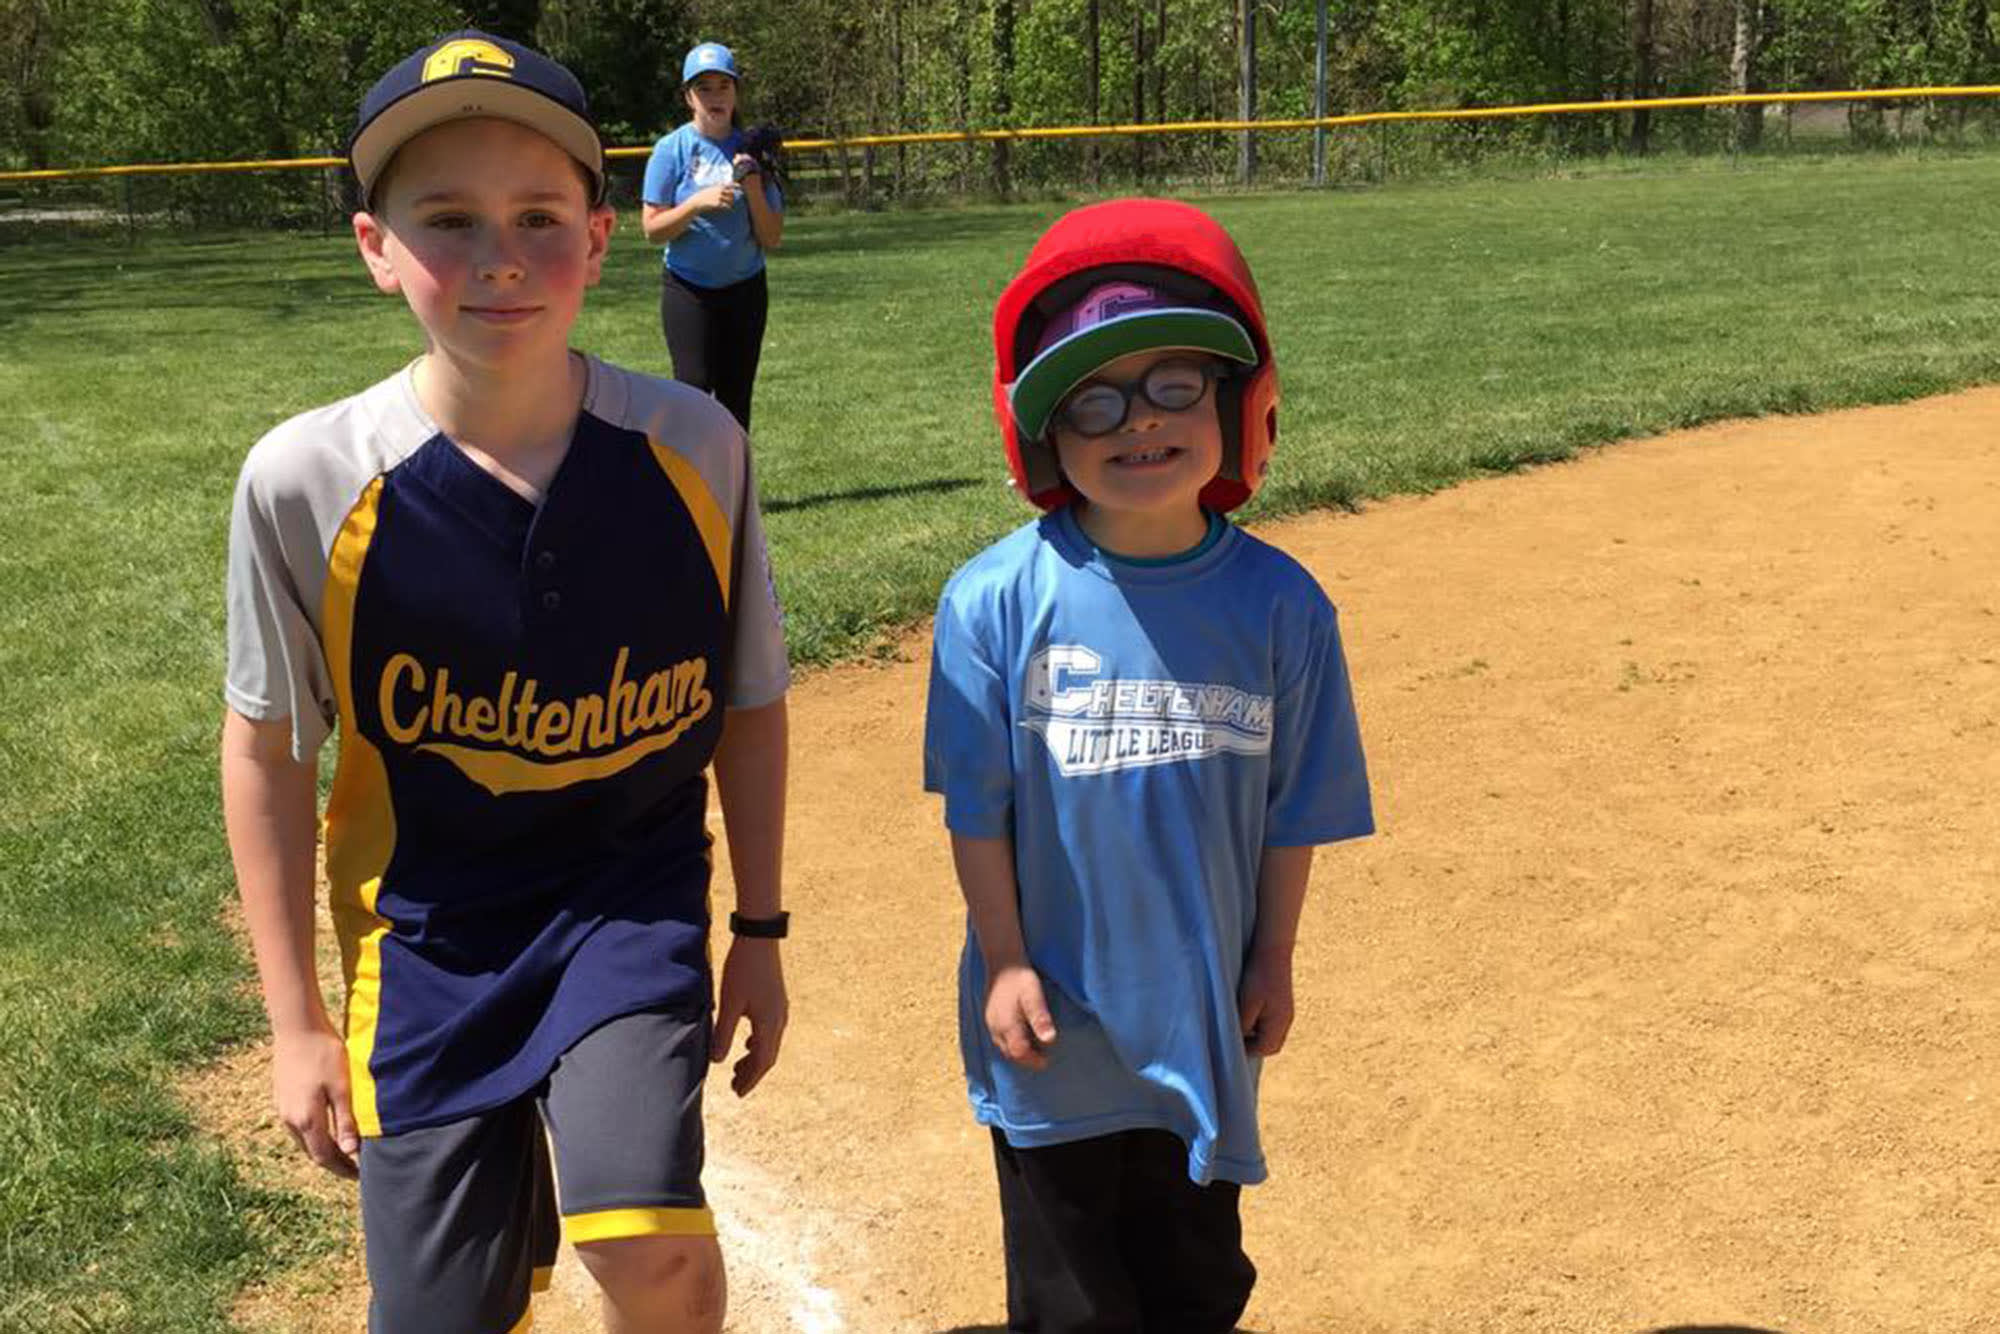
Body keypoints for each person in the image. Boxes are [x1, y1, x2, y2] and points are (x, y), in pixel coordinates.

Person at [220, 30, 791, 1334]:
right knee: (441, 1312)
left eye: (539, 216)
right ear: (376, 247)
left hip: (624, 901)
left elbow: (748, 700)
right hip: (427, 936)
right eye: (449, 220)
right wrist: (295, 1019)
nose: (500, 256)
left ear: (600, 239)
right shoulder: (307, 482)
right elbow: (263, 753)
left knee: (642, 1231)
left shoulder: (696, 447)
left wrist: (756, 932)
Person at [922, 198, 1375, 1333]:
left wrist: (1272, 954)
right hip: (1051, 1029)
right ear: (1042, 434)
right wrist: (1007, 961)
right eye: (1093, 399)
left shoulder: (1281, 608)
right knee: (1071, 1302)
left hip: (1197, 1023)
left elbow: (1290, 812)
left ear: (1236, 404)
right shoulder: (991, 602)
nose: (1138, 423)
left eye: (1175, 383)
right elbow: (976, 807)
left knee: (1193, 1285)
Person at [642, 41, 784, 432]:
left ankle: (733, 491)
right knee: (691, 395)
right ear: (689, 97)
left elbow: (771, 238)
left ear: (736, 92)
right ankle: (691, 491)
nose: (715, 96)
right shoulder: (671, 150)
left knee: (736, 399)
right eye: (704, 87)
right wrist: (696, 205)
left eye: (723, 85)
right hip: (688, 289)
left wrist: (753, 184)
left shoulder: (753, 149)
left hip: (745, 289)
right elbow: (653, 230)